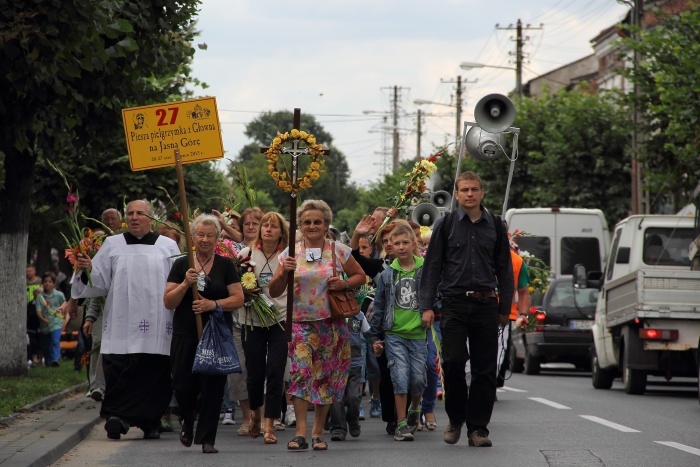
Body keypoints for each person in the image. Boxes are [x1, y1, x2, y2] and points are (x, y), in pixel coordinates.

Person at [71, 199, 181, 441]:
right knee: (119, 369)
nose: (134, 217)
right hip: (121, 320)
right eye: (130, 213)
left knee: (154, 372)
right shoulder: (112, 244)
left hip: (157, 322)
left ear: (151, 219)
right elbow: (98, 282)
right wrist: (86, 268)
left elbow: (179, 279)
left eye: (140, 213)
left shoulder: (168, 246)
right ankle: (117, 417)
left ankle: (151, 422)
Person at [419, 171, 513, 448]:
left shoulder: (496, 225)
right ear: (457, 195)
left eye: (474, 189)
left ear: (482, 192)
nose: (469, 194)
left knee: (485, 370)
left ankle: (478, 429)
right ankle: (455, 420)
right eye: (464, 190)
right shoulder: (446, 224)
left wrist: (504, 309)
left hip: (486, 304)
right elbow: (432, 267)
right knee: (453, 363)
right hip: (454, 304)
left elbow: (505, 270)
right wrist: (426, 306)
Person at [269, 199, 365, 452]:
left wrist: (343, 284)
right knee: (301, 375)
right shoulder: (289, 253)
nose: (312, 226)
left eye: (317, 222)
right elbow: (274, 289)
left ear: (326, 225)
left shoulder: (338, 249)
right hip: (300, 324)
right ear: (300, 224)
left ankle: (317, 433)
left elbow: (360, 276)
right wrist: (282, 273)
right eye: (307, 222)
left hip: (331, 324)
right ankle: (300, 433)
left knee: (324, 378)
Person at [164, 214, 244, 454]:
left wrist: (214, 305)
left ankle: (208, 438)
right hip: (186, 334)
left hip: (216, 335)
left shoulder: (225, 265)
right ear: (192, 237)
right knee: (183, 385)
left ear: (218, 239)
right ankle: (187, 420)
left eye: (211, 235)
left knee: (213, 386)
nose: (205, 239)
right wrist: (185, 284)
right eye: (201, 234)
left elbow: (238, 298)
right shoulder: (181, 265)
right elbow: (169, 302)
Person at [371, 223, 428, 441]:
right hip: (394, 334)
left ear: (414, 244)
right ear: (390, 247)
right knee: (399, 377)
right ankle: (401, 423)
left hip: (418, 334)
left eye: (406, 243)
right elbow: (379, 306)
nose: (401, 247)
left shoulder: (425, 269)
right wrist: (376, 337)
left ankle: (416, 408)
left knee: (418, 380)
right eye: (397, 243)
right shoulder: (388, 275)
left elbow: (435, 296)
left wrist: (431, 312)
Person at [237, 211, 289, 445]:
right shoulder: (246, 254)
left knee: (275, 371)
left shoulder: (287, 255)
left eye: (273, 226)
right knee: (255, 371)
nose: (268, 229)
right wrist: (244, 292)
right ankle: (255, 414)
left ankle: (270, 424)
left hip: (279, 318)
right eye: (264, 225)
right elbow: (236, 286)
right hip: (252, 320)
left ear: (281, 232)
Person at [227, 206, 263, 435]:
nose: (251, 227)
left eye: (256, 223)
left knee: (265, 370)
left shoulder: (273, 250)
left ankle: (266, 417)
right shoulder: (233, 253)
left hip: (266, 318)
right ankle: (246, 417)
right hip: (240, 318)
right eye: (247, 224)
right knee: (239, 369)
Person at [82, 208, 123, 402]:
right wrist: (90, 316)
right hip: (100, 306)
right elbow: (96, 286)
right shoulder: (97, 246)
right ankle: (97, 385)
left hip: (122, 309)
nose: (109, 221)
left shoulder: (125, 243)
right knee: (98, 344)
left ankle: (114, 385)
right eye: (106, 218)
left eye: (113, 218)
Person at [35, 271, 66, 367]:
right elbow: (38, 310)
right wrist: (43, 319)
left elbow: (65, 305)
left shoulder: (59, 295)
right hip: (45, 324)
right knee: (46, 345)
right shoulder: (40, 297)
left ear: (54, 284)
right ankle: (48, 362)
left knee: (54, 341)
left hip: (56, 322)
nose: (47, 283)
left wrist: (64, 319)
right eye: (45, 281)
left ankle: (55, 359)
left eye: (49, 281)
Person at [26, 264, 43, 366]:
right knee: (31, 336)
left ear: (34, 271)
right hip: (28, 311)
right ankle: (32, 358)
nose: (28, 273)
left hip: (39, 309)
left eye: (30, 271)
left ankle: (41, 358)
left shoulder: (40, 282)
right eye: (27, 271)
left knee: (40, 335)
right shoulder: (24, 282)